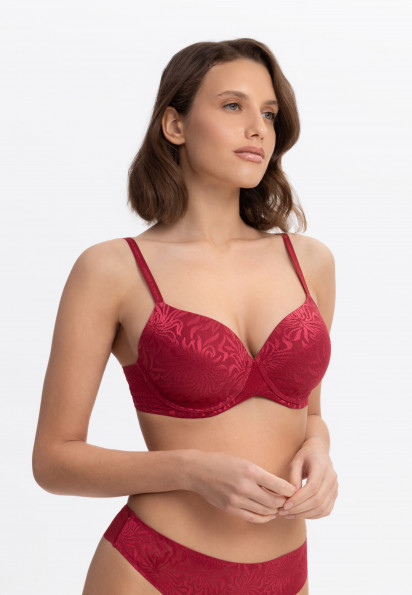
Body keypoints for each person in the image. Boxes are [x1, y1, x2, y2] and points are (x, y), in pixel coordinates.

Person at [32, 38, 338, 595]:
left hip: (287, 572)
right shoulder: (113, 269)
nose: (258, 128)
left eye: (269, 114)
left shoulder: (309, 262)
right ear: (175, 125)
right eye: (233, 105)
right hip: (151, 569)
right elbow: (54, 461)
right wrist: (191, 470)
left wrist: (319, 450)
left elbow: (308, 413)